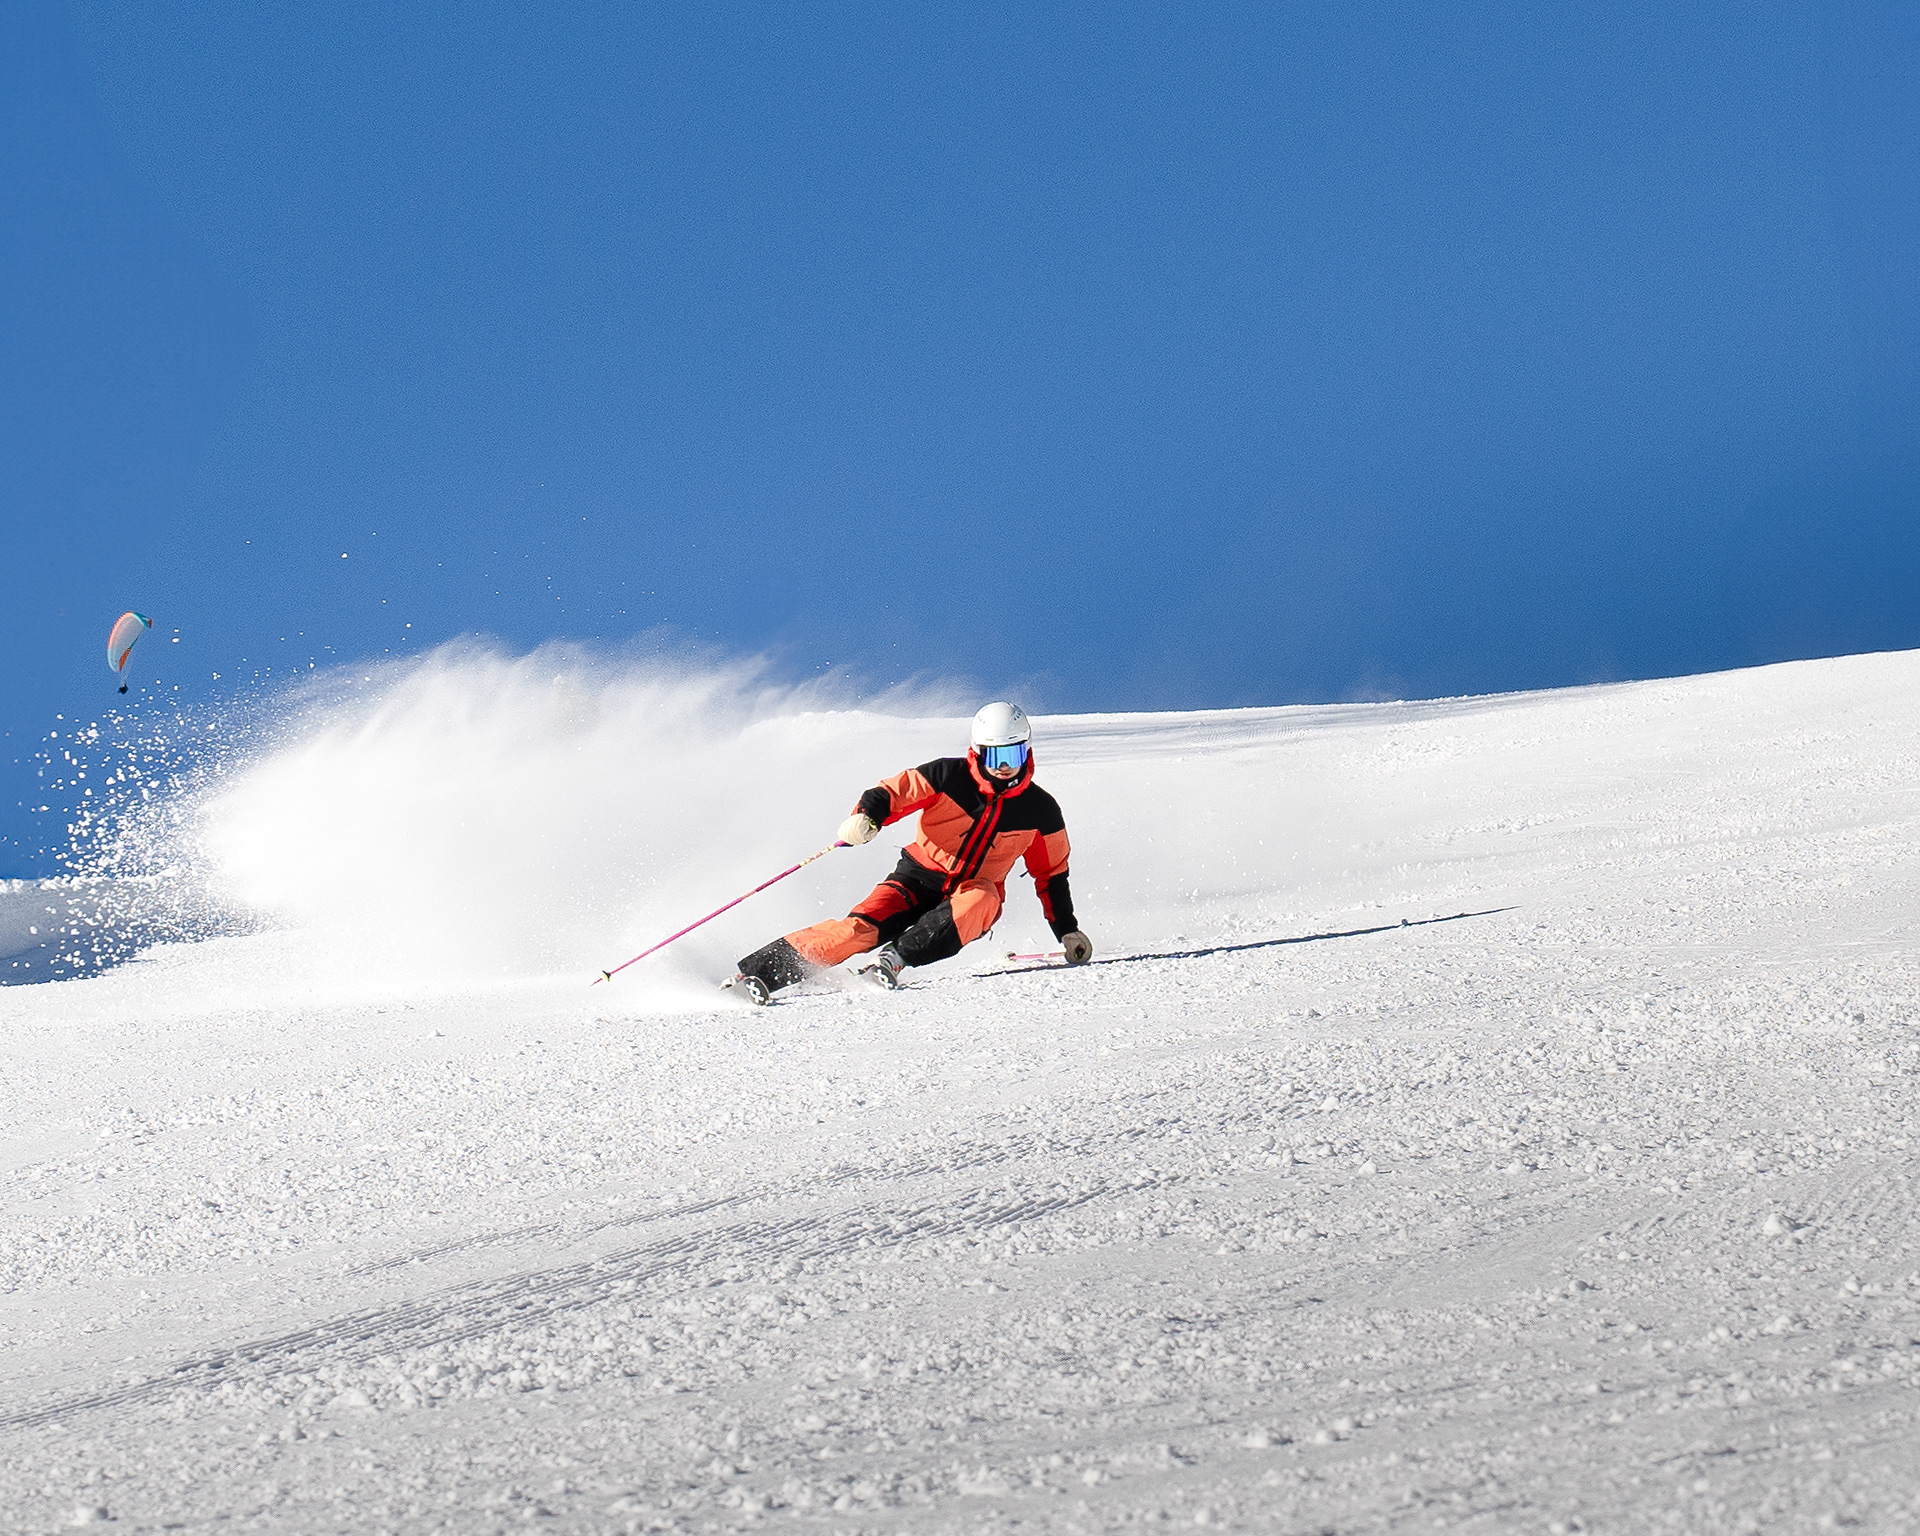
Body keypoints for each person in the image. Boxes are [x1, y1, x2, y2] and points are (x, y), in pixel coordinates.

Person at [729, 702, 1093, 1003]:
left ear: (1027, 750)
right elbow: (894, 793)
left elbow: (1052, 875)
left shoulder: (1041, 811)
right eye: (995, 755)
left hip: (973, 892)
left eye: (1013, 754)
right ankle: (754, 977)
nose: (1004, 767)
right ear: (978, 751)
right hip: (915, 879)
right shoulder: (948, 776)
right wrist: (866, 817)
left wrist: (1067, 930)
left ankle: (893, 960)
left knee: (982, 899)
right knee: (856, 931)